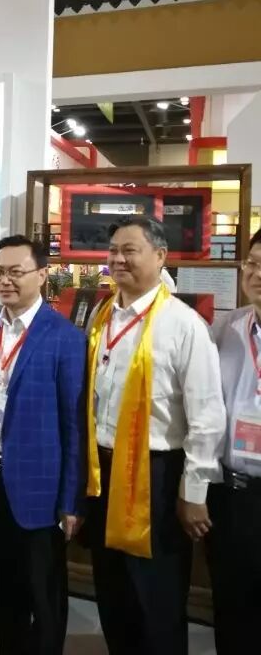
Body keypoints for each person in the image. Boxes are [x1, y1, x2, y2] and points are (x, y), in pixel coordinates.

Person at [85, 215, 226, 655]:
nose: (118, 259)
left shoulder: (183, 324)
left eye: (130, 250)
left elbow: (207, 415)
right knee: (113, 592)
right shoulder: (102, 315)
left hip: (157, 478)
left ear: (160, 256)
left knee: (157, 600)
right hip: (103, 469)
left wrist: (194, 490)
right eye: (113, 251)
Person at [0, 235, 86, 655]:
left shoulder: (64, 337)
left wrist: (71, 499)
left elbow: (73, 424)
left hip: (39, 484)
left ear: (42, 275)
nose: (5, 281)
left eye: (16, 272)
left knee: (43, 590)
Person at [207, 228, 261, 654]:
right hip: (231, 493)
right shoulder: (226, 327)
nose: (256, 274)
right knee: (231, 604)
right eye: (252, 264)